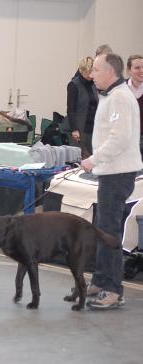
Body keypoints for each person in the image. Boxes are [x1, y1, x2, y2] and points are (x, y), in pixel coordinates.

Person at [81, 53, 143, 309]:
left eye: (95, 69)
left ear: (110, 72)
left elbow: (120, 138)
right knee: (103, 229)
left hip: (117, 174)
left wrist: (93, 160)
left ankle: (114, 290)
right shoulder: (112, 95)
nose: (92, 74)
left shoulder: (119, 97)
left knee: (110, 232)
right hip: (110, 173)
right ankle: (101, 280)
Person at [66, 57, 98, 159]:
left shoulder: (95, 84)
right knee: (80, 158)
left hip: (92, 127)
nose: (90, 75)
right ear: (82, 71)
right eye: (88, 72)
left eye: (92, 72)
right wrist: (74, 129)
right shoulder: (74, 85)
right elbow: (70, 109)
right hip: (79, 128)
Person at [126, 55, 143, 155]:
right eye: (137, 68)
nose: (141, 70)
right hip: (125, 141)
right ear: (129, 70)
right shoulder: (119, 89)